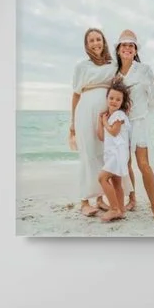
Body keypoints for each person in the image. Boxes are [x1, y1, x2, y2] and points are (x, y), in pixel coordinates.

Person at [111, 28, 154, 224]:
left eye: (131, 45)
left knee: (143, 164)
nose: (127, 48)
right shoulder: (115, 74)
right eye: (123, 44)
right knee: (126, 163)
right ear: (118, 49)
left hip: (140, 121)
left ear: (135, 50)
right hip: (123, 124)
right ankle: (132, 199)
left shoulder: (144, 70)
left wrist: (141, 110)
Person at [66, 28, 115, 215]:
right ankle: (85, 201)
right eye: (91, 40)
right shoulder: (81, 67)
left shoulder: (112, 65)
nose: (96, 43)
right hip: (85, 113)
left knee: (103, 154)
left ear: (104, 41)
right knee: (88, 155)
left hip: (105, 115)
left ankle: (100, 198)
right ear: (86, 45)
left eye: (98, 39)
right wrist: (72, 124)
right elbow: (76, 95)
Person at [95, 83, 133, 224]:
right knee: (116, 182)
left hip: (118, 153)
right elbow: (101, 136)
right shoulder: (109, 116)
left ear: (122, 102)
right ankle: (121, 210)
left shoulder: (119, 114)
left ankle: (114, 209)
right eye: (111, 98)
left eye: (118, 99)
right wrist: (101, 121)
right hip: (111, 153)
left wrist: (105, 121)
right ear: (107, 98)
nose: (114, 101)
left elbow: (114, 131)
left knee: (102, 178)